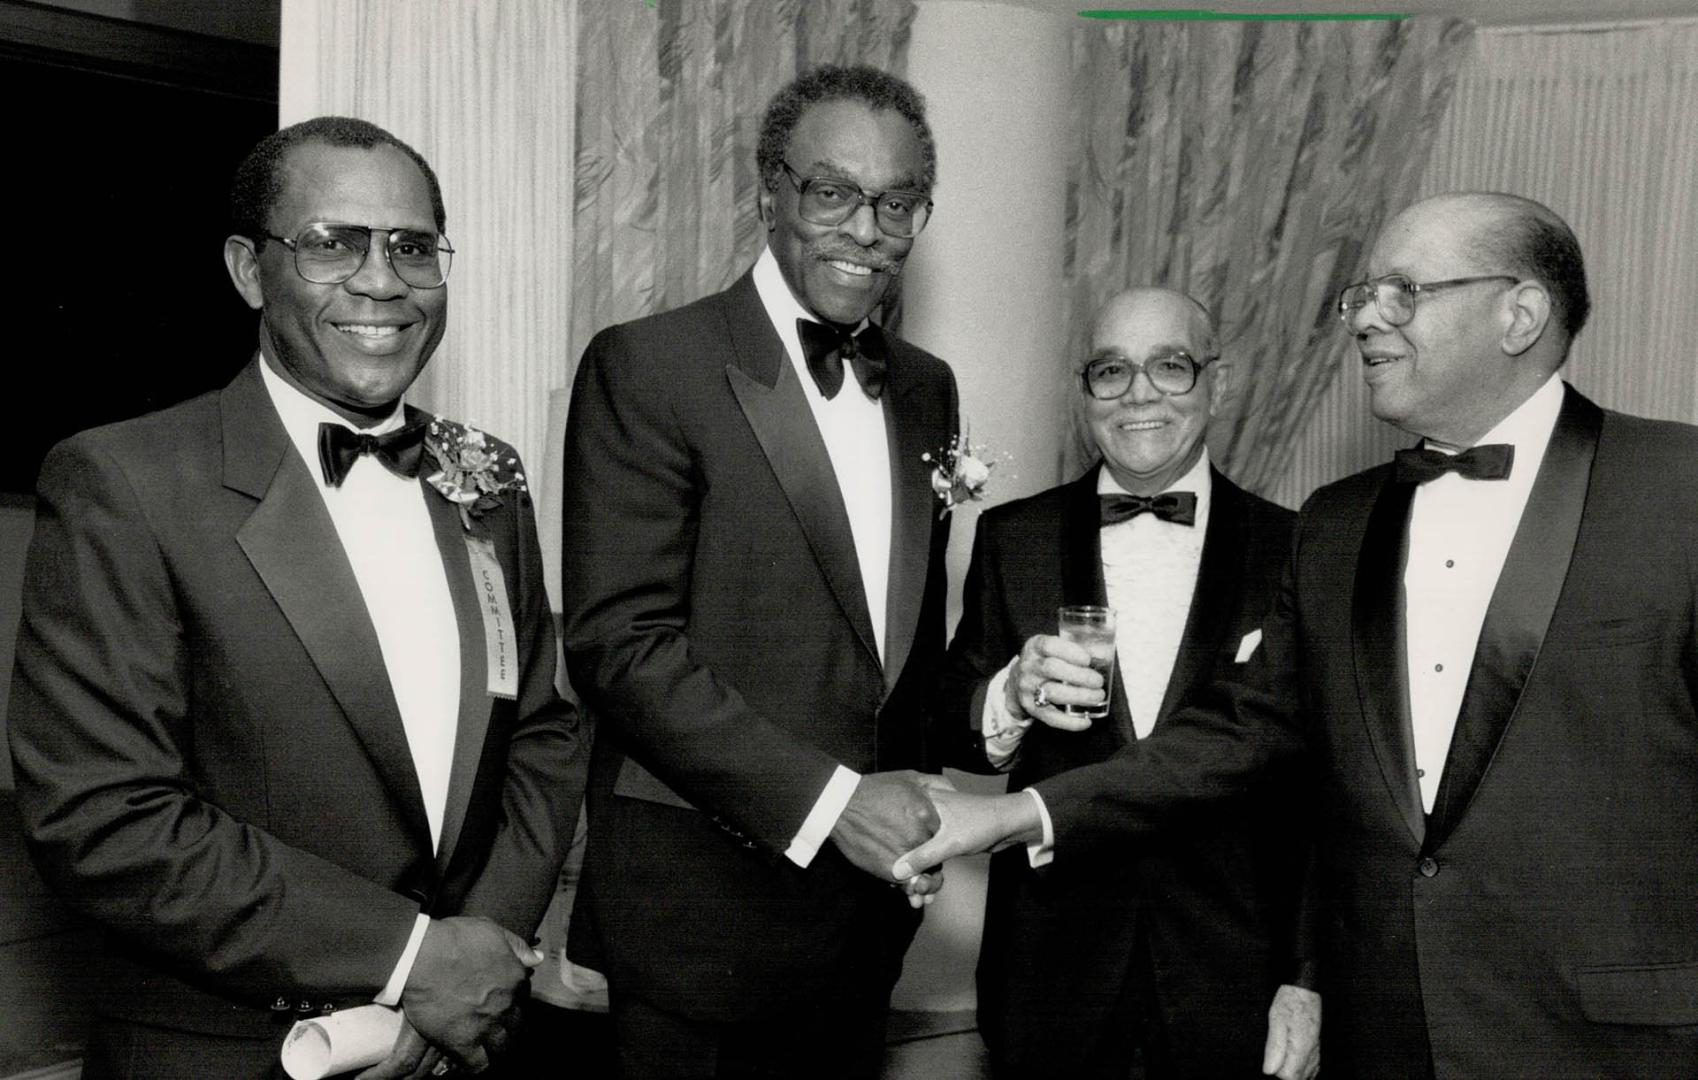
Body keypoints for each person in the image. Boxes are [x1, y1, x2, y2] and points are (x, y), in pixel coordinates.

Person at [896, 192, 1698, 1078]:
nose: (1365, 320)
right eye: (1361, 295)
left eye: (1403, 291)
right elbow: (1245, 731)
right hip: (1384, 1029)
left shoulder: (1679, 492)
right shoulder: (1340, 524)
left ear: (1520, 313)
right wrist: (1012, 812)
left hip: (1608, 1038)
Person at [7, 116, 582, 1079]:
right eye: (331, 244)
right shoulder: (125, 482)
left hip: (465, 1043)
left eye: (411, 247)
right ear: (247, 270)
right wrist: (412, 960)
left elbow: (540, 733)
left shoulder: (484, 477)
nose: (381, 280)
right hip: (235, 1049)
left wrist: (477, 951)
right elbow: (105, 814)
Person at [559, 65, 957, 1078]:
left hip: (863, 935)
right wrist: (834, 805)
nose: (867, 229)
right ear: (769, 189)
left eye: (898, 202)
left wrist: (991, 708)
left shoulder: (925, 390)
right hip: (697, 934)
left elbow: (882, 655)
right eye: (833, 192)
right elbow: (621, 647)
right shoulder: (651, 365)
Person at [937, 287, 1317, 1080]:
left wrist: (1307, 977)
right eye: (1111, 372)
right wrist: (1009, 696)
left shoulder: (1299, 548)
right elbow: (951, 721)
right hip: (1049, 969)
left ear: (1219, 383)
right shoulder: (1015, 538)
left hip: (1235, 975)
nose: (1139, 394)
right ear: (1084, 394)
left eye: (1170, 367)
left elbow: (1329, 796)